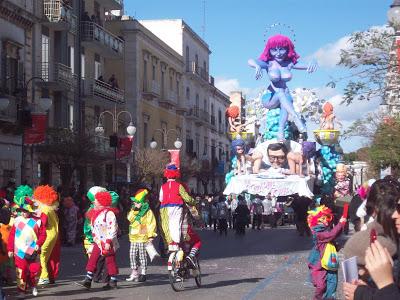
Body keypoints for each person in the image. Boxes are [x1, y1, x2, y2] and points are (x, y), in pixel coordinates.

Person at [248, 34, 316, 141]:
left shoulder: (289, 64)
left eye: (282, 49)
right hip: (270, 99)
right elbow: (251, 61)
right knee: (281, 93)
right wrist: (257, 66)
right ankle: (296, 117)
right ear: (269, 50)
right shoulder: (269, 63)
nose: (278, 53)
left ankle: (280, 132)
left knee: (286, 96)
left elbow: (307, 65)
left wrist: (313, 61)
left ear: (287, 49)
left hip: (283, 97)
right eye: (274, 50)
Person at [76, 191, 119, 290]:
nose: (94, 202)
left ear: (102, 202)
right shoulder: (95, 214)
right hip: (98, 242)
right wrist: (94, 239)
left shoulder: (109, 214)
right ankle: (88, 280)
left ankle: (113, 281)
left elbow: (112, 228)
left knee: (110, 261)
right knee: (93, 259)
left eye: (96, 200)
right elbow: (94, 228)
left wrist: (108, 242)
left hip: (108, 242)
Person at [8, 196, 46, 297]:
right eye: (22, 211)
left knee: (33, 271)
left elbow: (43, 234)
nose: (24, 213)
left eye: (26, 211)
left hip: (33, 249)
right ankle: (21, 291)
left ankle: (33, 285)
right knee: (21, 271)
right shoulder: (17, 220)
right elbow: (11, 236)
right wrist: (10, 249)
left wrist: (38, 244)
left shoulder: (37, 221)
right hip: (19, 250)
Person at [307, 205, 347, 300]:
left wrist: (342, 223)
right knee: (321, 286)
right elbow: (331, 235)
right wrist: (340, 224)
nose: (325, 221)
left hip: (329, 261)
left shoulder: (325, 230)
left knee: (332, 284)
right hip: (318, 264)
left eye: (327, 218)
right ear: (316, 220)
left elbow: (333, 236)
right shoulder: (317, 233)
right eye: (322, 219)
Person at [159, 164, 197, 251]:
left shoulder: (162, 187)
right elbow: (186, 198)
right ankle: (176, 243)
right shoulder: (179, 186)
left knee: (166, 225)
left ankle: (170, 243)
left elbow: (160, 199)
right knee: (176, 224)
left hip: (164, 208)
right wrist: (193, 202)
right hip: (176, 207)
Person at [126, 188, 157, 283]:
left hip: (143, 233)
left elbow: (151, 223)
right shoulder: (133, 209)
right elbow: (129, 218)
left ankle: (143, 273)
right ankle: (134, 272)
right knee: (132, 255)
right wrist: (135, 210)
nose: (135, 203)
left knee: (142, 255)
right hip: (133, 236)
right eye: (134, 202)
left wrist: (150, 236)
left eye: (136, 202)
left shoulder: (148, 211)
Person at [32, 185, 60, 286]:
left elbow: (42, 224)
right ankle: (46, 276)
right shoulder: (50, 209)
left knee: (42, 256)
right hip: (54, 235)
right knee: (47, 256)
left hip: (47, 235)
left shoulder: (44, 210)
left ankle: (44, 277)